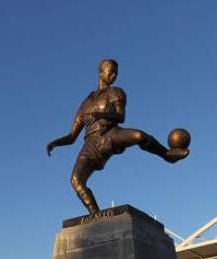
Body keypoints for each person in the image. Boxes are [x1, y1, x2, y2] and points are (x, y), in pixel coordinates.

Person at [46, 58, 190, 215]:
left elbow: (120, 116)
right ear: (101, 72)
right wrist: (56, 142)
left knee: (139, 136)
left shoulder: (116, 92)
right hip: (91, 144)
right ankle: (96, 215)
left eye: (116, 73)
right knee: (76, 180)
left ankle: (167, 154)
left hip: (110, 134)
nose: (114, 75)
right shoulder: (85, 104)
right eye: (111, 71)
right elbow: (72, 136)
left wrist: (99, 113)